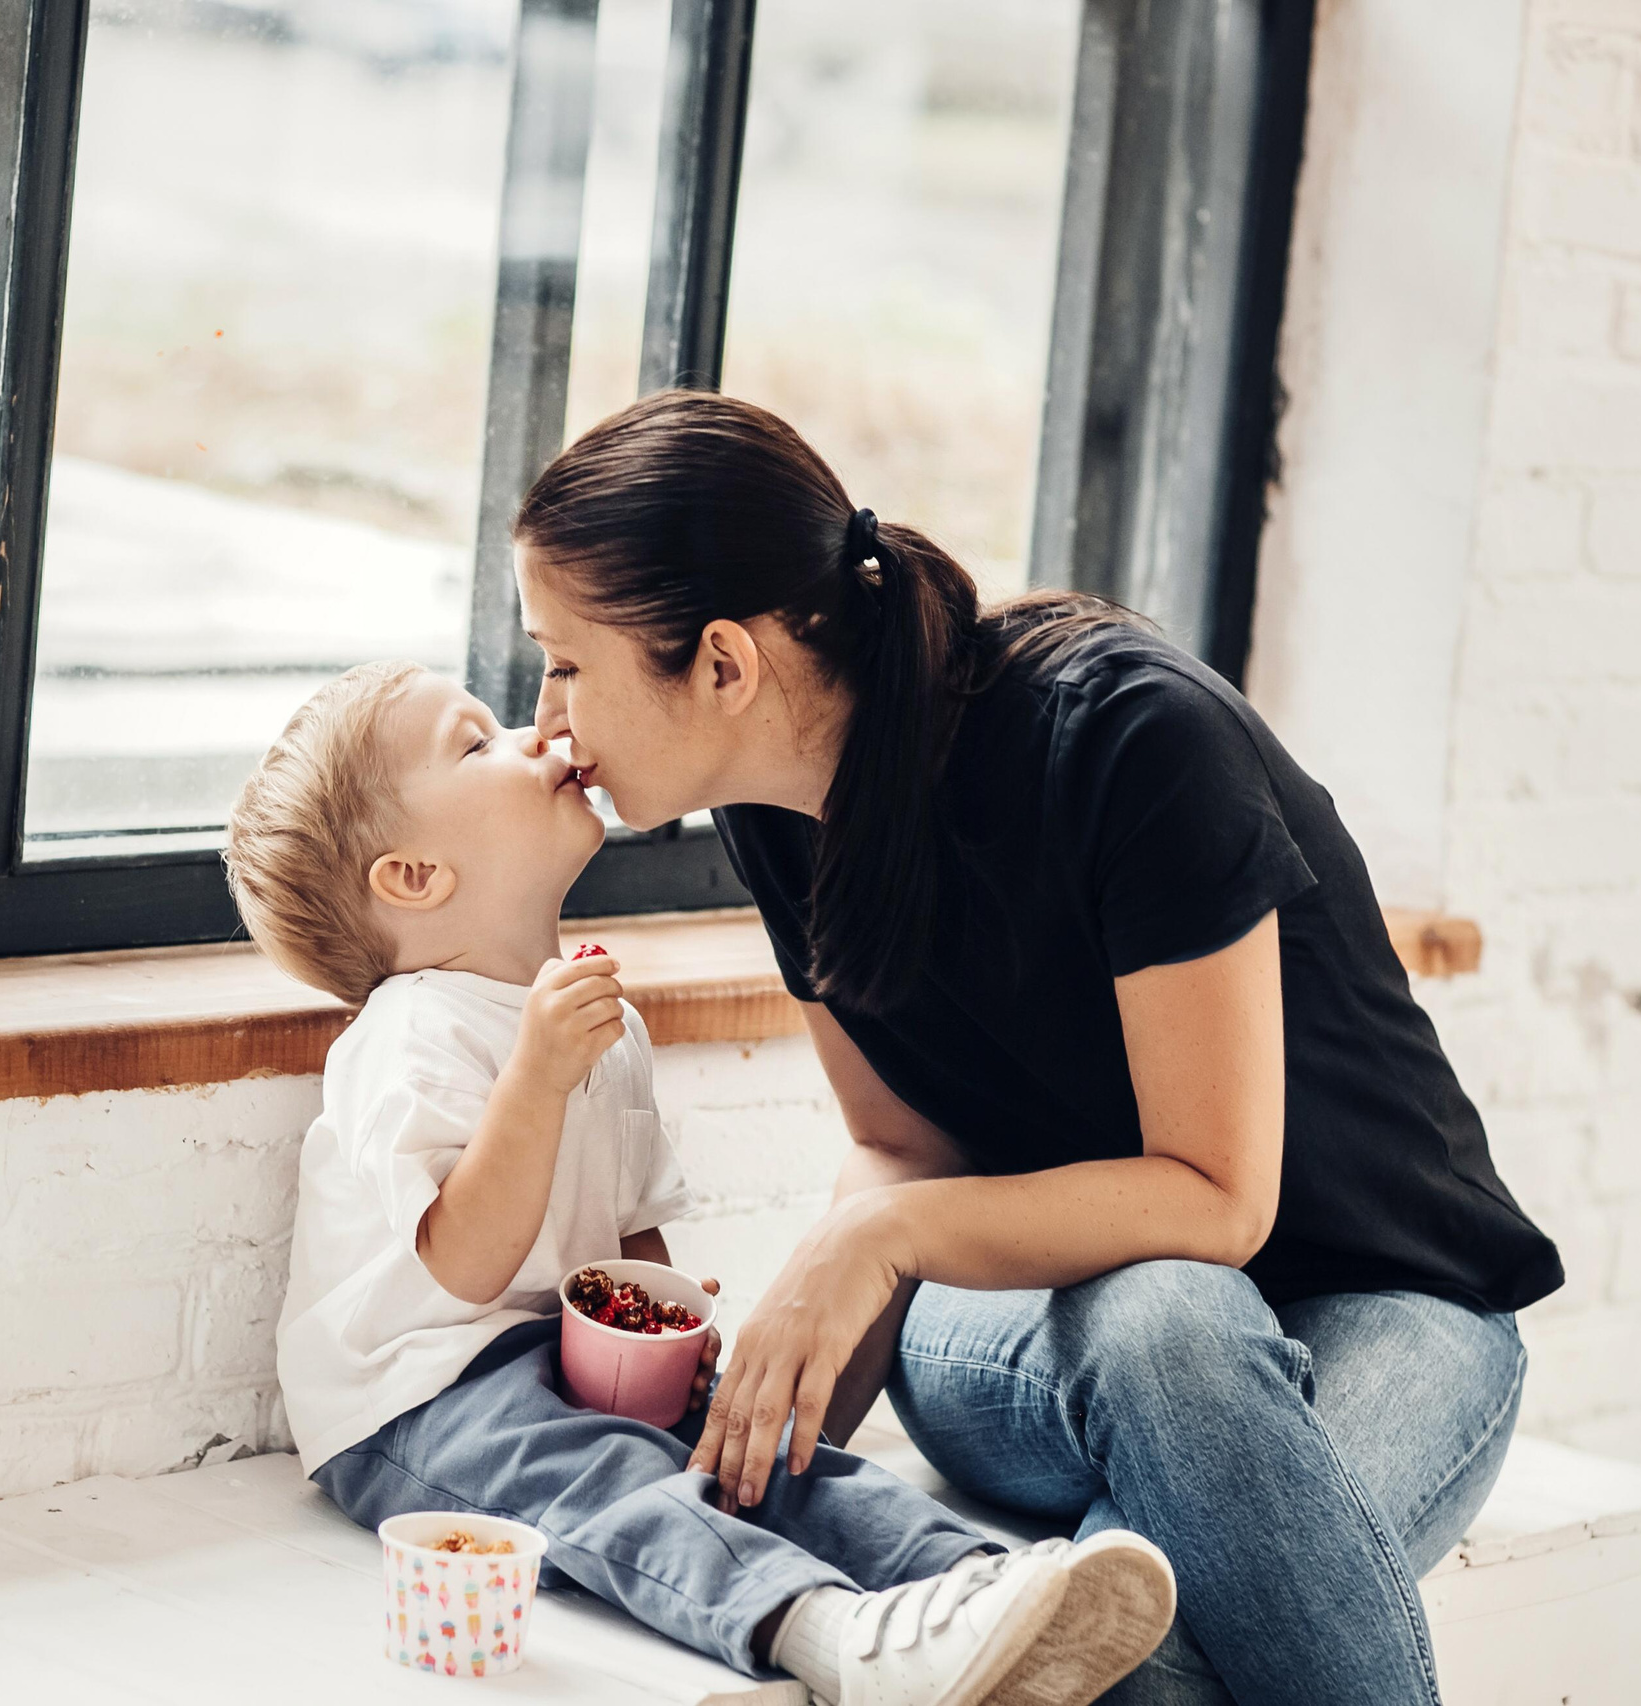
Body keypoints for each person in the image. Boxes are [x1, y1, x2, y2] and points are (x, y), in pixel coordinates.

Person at [511, 391, 1565, 1706]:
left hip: (1389, 1297)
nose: (546, 719)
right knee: (1154, 1317)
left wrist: (873, 1238)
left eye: (564, 662)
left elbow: (1214, 1202)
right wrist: (768, 1442)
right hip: (1039, 1331)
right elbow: (901, 1146)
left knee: (1134, 1623)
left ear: (724, 664)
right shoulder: (769, 816)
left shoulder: (1130, 738)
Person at [225, 659, 1178, 1706]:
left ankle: (979, 1585)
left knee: (763, 1452)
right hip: (419, 1396)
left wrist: (669, 1330)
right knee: (616, 1486)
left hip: (562, 1358)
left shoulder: (603, 1020)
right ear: (415, 876)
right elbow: (464, 1262)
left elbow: (627, 1228)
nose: (534, 734)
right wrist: (538, 1075)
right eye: (476, 742)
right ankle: (831, 1634)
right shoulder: (410, 1033)